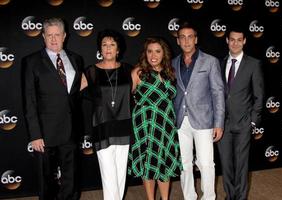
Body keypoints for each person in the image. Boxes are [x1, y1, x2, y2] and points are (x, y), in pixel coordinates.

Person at [23, 18, 84, 200]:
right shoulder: (31, 61)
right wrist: (35, 134)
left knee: (71, 180)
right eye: (49, 35)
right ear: (43, 36)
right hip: (45, 132)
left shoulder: (76, 59)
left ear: (64, 36)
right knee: (46, 181)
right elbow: (29, 99)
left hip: (71, 129)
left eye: (57, 34)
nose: (53, 39)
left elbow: (76, 93)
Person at [172, 21, 225, 200]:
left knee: (205, 163)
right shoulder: (172, 63)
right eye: (182, 37)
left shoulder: (210, 61)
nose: (186, 41)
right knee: (184, 163)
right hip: (180, 121)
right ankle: (189, 197)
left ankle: (209, 197)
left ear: (196, 39)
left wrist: (219, 123)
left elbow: (218, 93)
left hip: (203, 120)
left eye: (190, 37)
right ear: (178, 40)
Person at [81, 29, 132, 200]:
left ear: (118, 49)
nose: (108, 48)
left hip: (124, 127)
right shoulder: (90, 71)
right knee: (108, 174)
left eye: (112, 45)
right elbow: (72, 94)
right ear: (100, 49)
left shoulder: (128, 70)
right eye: (104, 45)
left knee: (120, 174)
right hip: (102, 127)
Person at [128, 37, 182, 200]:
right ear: (145, 53)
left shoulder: (171, 72)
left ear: (164, 53)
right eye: (150, 51)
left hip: (165, 124)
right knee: (147, 164)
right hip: (144, 125)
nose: (153, 55)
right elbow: (126, 100)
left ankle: (164, 199)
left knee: (163, 162)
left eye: (157, 51)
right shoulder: (138, 73)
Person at [217, 26, 264, 200]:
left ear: (244, 41)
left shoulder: (253, 64)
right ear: (227, 40)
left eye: (239, 40)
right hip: (223, 124)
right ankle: (230, 196)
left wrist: (252, 121)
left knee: (242, 165)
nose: (235, 43)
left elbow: (259, 95)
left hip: (244, 123)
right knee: (226, 165)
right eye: (232, 39)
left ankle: (241, 197)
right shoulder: (220, 63)